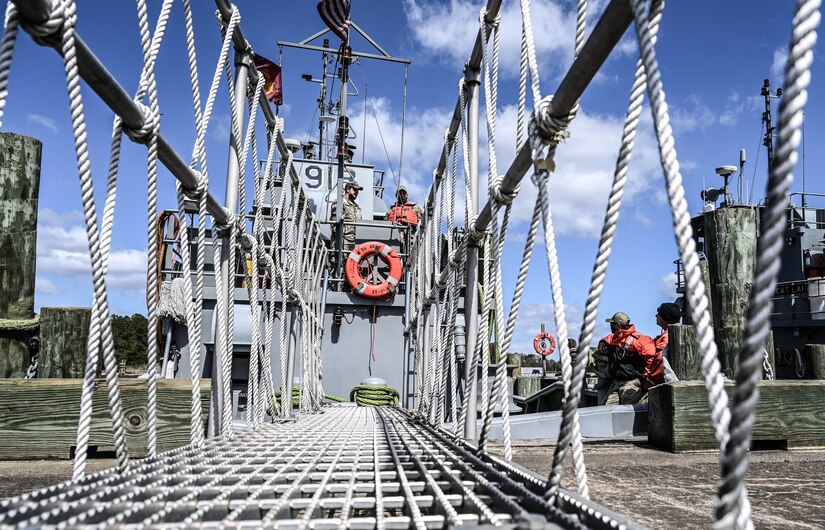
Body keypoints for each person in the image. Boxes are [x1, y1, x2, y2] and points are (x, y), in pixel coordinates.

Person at [598, 311, 662, 405]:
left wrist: (646, 378)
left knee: (629, 411)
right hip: (617, 382)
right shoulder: (616, 338)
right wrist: (602, 342)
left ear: (617, 325)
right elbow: (610, 338)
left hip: (632, 383)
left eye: (612, 324)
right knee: (607, 408)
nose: (611, 326)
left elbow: (653, 359)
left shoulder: (639, 340)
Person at [330, 178, 363, 255]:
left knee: (351, 265)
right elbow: (334, 226)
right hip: (342, 241)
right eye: (355, 189)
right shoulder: (339, 203)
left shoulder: (356, 207)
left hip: (353, 242)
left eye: (358, 190)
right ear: (348, 189)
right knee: (339, 263)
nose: (357, 192)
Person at [654, 302, 682, 383]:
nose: (656, 316)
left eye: (658, 314)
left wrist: (649, 381)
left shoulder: (668, 336)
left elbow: (659, 361)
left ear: (664, 317)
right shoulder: (679, 331)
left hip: (665, 383)